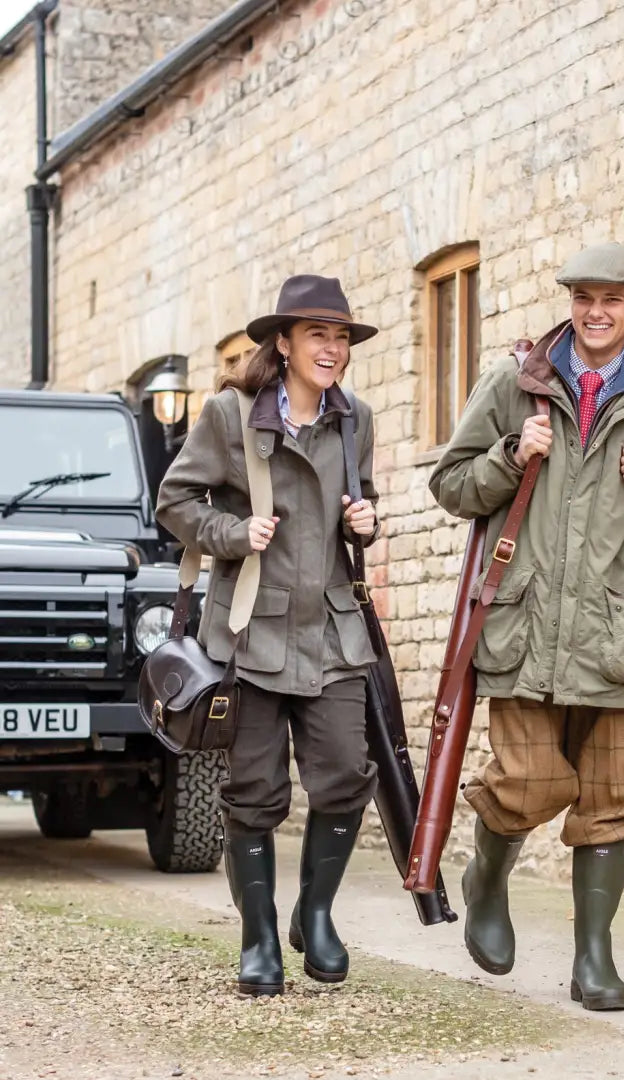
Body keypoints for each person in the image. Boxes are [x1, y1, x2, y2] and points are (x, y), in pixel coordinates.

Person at [429, 241, 624, 1011]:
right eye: (583, 298)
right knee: (529, 781)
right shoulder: (513, 384)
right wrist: (509, 455)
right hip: (525, 630)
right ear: (571, 303)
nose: (596, 313)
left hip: (615, 637)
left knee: (608, 804)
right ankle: (486, 877)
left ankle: (593, 957)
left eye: (612, 300)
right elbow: (452, 484)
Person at [157, 275, 381, 997]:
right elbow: (174, 500)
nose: (332, 349)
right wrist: (232, 532)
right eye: (317, 335)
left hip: (333, 636)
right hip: (249, 632)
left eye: (341, 337)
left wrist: (365, 520)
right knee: (253, 791)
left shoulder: (356, 419)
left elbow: (357, 503)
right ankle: (258, 939)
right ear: (283, 343)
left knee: (346, 775)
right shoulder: (229, 415)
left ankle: (314, 916)